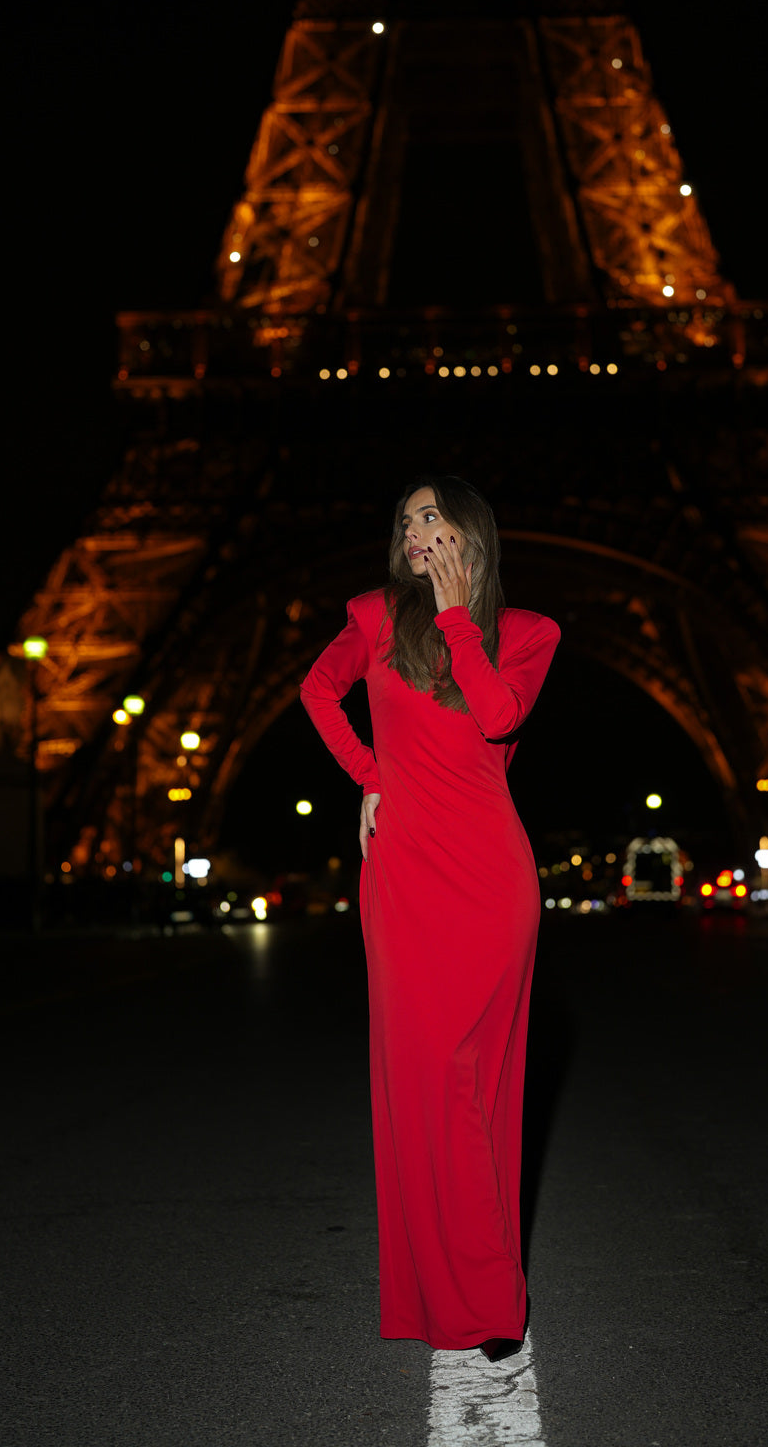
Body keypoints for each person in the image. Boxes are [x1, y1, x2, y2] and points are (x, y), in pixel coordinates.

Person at [299, 475, 560, 1361]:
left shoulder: (526, 633)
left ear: (470, 534)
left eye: (433, 516)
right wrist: (369, 778)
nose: (415, 529)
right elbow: (314, 693)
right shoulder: (372, 616)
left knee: (472, 1083)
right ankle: (451, 1295)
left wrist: (456, 618)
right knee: (426, 1082)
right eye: (405, 518)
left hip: (490, 877)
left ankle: (489, 1297)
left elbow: (497, 715)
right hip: (403, 873)